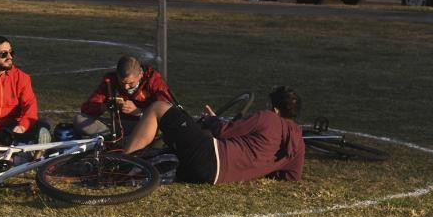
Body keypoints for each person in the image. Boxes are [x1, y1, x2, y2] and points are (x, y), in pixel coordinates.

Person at [122, 86, 305, 184]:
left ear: (274, 109)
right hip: (213, 177)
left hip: (210, 156)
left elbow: (224, 132)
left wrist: (212, 120)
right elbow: (292, 177)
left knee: (159, 108)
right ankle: (137, 167)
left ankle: (124, 161)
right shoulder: (298, 144)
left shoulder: (268, 118)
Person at [0, 35, 50, 145]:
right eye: (3, 54)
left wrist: (22, 126)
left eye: (11, 52)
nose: (9, 57)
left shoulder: (22, 77)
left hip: (15, 126)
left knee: (43, 126)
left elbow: (30, 106)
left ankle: (33, 155)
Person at [74, 55, 175, 137]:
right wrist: (106, 106)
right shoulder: (110, 81)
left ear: (140, 75)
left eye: (131, 83)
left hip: (146, 126)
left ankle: (124, 141)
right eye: (122, 83)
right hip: (118, 126)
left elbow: (166, 111)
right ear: (117, 74)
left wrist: (139, 112)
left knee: (160, 131)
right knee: (79, 119)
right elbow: (87, 109)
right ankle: (120, 140)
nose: (126, 87)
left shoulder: (153, 80)